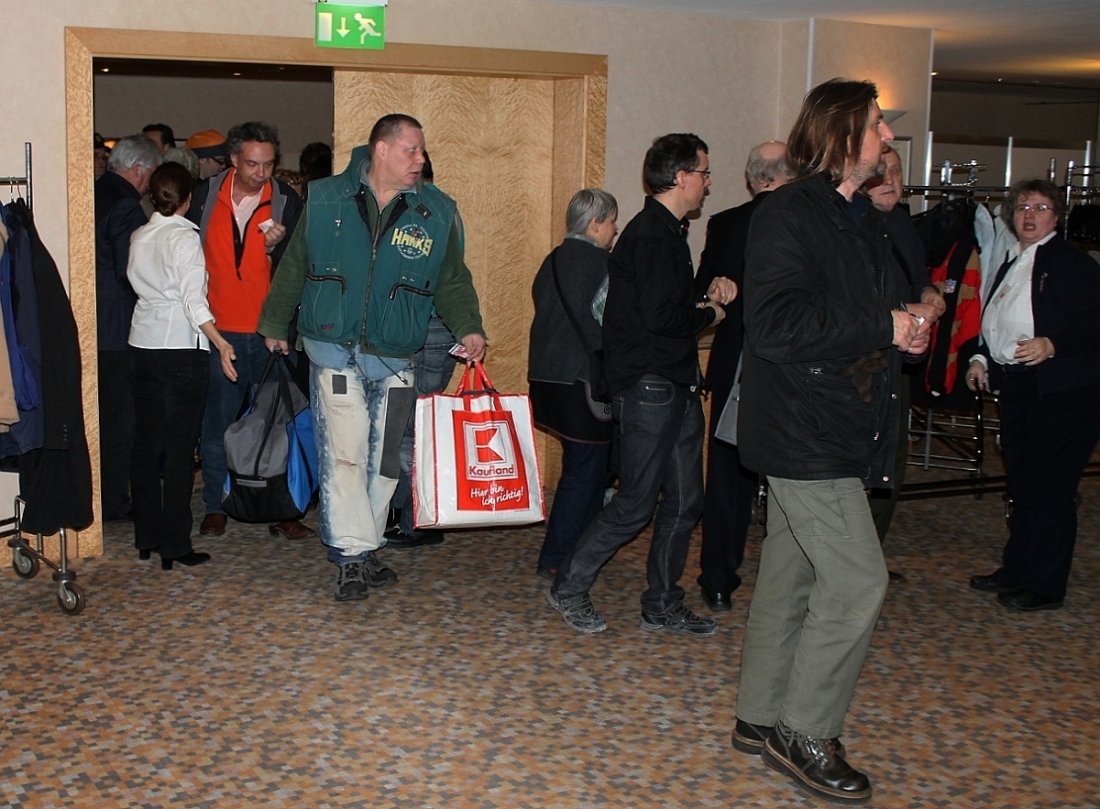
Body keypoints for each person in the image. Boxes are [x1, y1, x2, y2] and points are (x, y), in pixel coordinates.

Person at [731, 78, 933, 804]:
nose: (888, 136)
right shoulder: (790, 211)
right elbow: (777, 325)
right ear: (843, 134)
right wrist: (882, 325)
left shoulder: (856, 216)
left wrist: (901, 324)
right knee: (857, 583)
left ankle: (759, 716)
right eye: (878, 124)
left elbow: (850, 313)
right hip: (803, 429)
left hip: (836, 419)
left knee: (791, 575)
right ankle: (805, 732)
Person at [257, 113, 486, 602]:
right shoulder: (324, 198)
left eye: (421, 151)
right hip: (333, 349)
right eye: (411, 149)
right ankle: (351, 557)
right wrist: (275, 324)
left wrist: (469, 325)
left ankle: (366, 543)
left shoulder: (437, 211)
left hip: (398, 355)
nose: (420, 159)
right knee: (345, 457)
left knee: (384, 464)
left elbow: (452, 279)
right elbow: (294, 264)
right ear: (381, 149)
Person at [546, 133, 736, 637]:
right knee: (634, 504)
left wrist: (705, 294)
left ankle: (663, 603)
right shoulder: (652, 235)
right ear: (681, 177)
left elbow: (663, 304)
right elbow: (661, 318)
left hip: (674, 382)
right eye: (704, 173)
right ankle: (569, 588)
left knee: (685, 501)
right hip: (651, 387)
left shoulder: (667, 232)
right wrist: (710, 314)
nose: (709, 183)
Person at [966, 178, 1100, 612]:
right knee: (1023, 483)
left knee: (1049, 489)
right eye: (1023, 207)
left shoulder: (1071, 263)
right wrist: (981, 359)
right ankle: (1018, 569)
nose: (1029, 215)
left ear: (1056, 217)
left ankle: (1045, 585)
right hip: (1021, 386)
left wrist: (1052, 344)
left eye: (1040, 208)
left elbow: (1093, 322)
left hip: (1064, 391)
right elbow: (997, 323)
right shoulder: (1014, 261)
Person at [186, 121, 311, 541]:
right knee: (218, 425)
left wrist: (277, 247)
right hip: (218, 333)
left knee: (278, 423)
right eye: (253, 164)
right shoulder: (205, 195)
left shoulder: (286, 200)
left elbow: (300, 266)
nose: (261, 172)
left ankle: (282, 509)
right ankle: (216, 506)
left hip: (270, 333)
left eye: (269, 164)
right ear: (233, 159)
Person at [695, 140, 794, 612]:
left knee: (727, 478)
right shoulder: (806, 222)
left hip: (734, 363)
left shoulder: (725, 223)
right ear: (789, 176)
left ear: (754, 178)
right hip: (791, 367)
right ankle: (791, 581)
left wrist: (718, 290)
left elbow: (700, 293)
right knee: (793, 475)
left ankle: (718, 579)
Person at [127, 162, 237, 570]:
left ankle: (146, 536)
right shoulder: (185, 238)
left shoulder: (140, 235)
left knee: (145, 444)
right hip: (179, 348)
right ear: (189, 198)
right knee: (178, 450)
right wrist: (220, 342)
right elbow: (193, 302)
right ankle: (174, 543)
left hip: (142, 343)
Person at [860, 145, 946, 583]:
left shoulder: (902, 224)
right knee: (862, 461)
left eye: (896, 171)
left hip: (901, 360)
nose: (891, 180)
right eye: (883, 172)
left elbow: (919, 276)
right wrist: (906, 309)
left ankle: (870, 556)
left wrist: (929, 294)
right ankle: (853, 561)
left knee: (891, 459)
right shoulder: (854, 229)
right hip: (863, 365)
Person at [528, 188, 618, 579]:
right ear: (595, 223)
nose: (615, 230)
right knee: (586, 471)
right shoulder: (603, 264)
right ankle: (559, 555)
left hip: (546, 378)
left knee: (586, 467)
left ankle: (583, 548)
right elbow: (610, 322)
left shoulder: (551, 260)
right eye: (612, 222)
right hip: (583, 382)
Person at [382, 150, 461, 550]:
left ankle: (407, 518)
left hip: (413, 327)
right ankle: (417, 515)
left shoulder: (407, 210)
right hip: (441, 328)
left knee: (402, 428)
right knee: (419, 427)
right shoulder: (447, 210)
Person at [94, 134, 162, 521]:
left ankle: (100, 496)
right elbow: (129, 272)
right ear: (138, 169)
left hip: (93, 324)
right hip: (117, 328)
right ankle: (114, 502)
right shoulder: (125, 205)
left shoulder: (94, 192)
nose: (151, 184)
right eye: (151, 174)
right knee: (120, 421)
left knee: (99, 416)